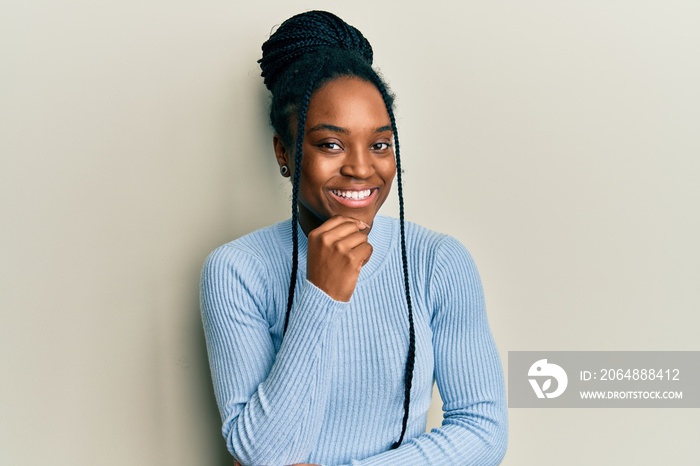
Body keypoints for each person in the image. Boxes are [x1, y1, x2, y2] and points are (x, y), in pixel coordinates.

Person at [200, 10, 508, 466]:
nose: (361, 168)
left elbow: (483, 431)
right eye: (331, 144)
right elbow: (260, 454)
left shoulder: (437, 261)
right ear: (283, 152)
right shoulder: (235, 271)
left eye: (380, 144)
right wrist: (321, 294)